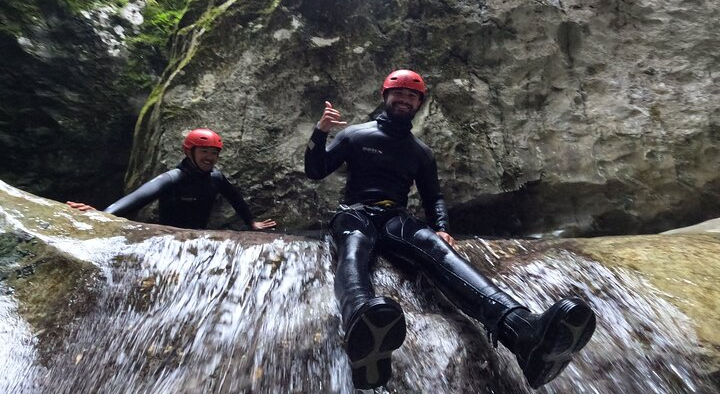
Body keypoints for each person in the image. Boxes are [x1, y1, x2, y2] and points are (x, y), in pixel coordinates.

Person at [304, 70, 596, 390]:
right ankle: (362, 322)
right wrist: (320, 133)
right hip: (355, 213)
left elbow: (433, 197)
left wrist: (441, 228)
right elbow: (316, 170)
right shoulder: (355, 136)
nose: (404, 100)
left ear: (419, 102)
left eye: (411, 96)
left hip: (395, 218)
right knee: (355, 246)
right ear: (384, 96)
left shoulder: (420, 152)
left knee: (435, 247)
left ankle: (523, 332)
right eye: (398, 94)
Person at [67, 128, 276, 231]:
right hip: (169, 238)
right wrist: (104, 214)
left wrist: (251, 222)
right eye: (204, 151)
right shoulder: (173, 178)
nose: (209, 158)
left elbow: (235, 198)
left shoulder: (216, 177)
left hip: (199, 238)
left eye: (214, 153)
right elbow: (138, 198)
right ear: (189, 152)